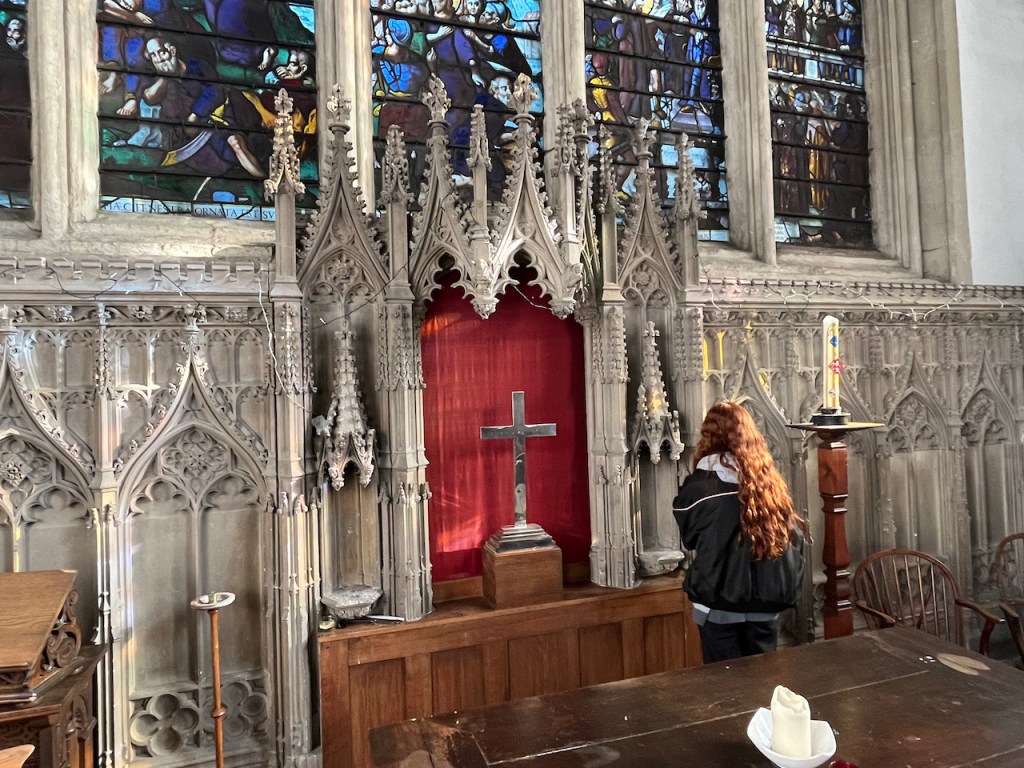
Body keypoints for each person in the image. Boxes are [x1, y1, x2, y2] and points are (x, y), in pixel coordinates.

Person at [673, 401, 807, 663]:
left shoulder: (698, 490)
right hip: (766, 604)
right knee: (761, 683)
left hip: (719, 605)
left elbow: (689, 540)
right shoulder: (769, 486)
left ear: (708, 437)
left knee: (726, 689)